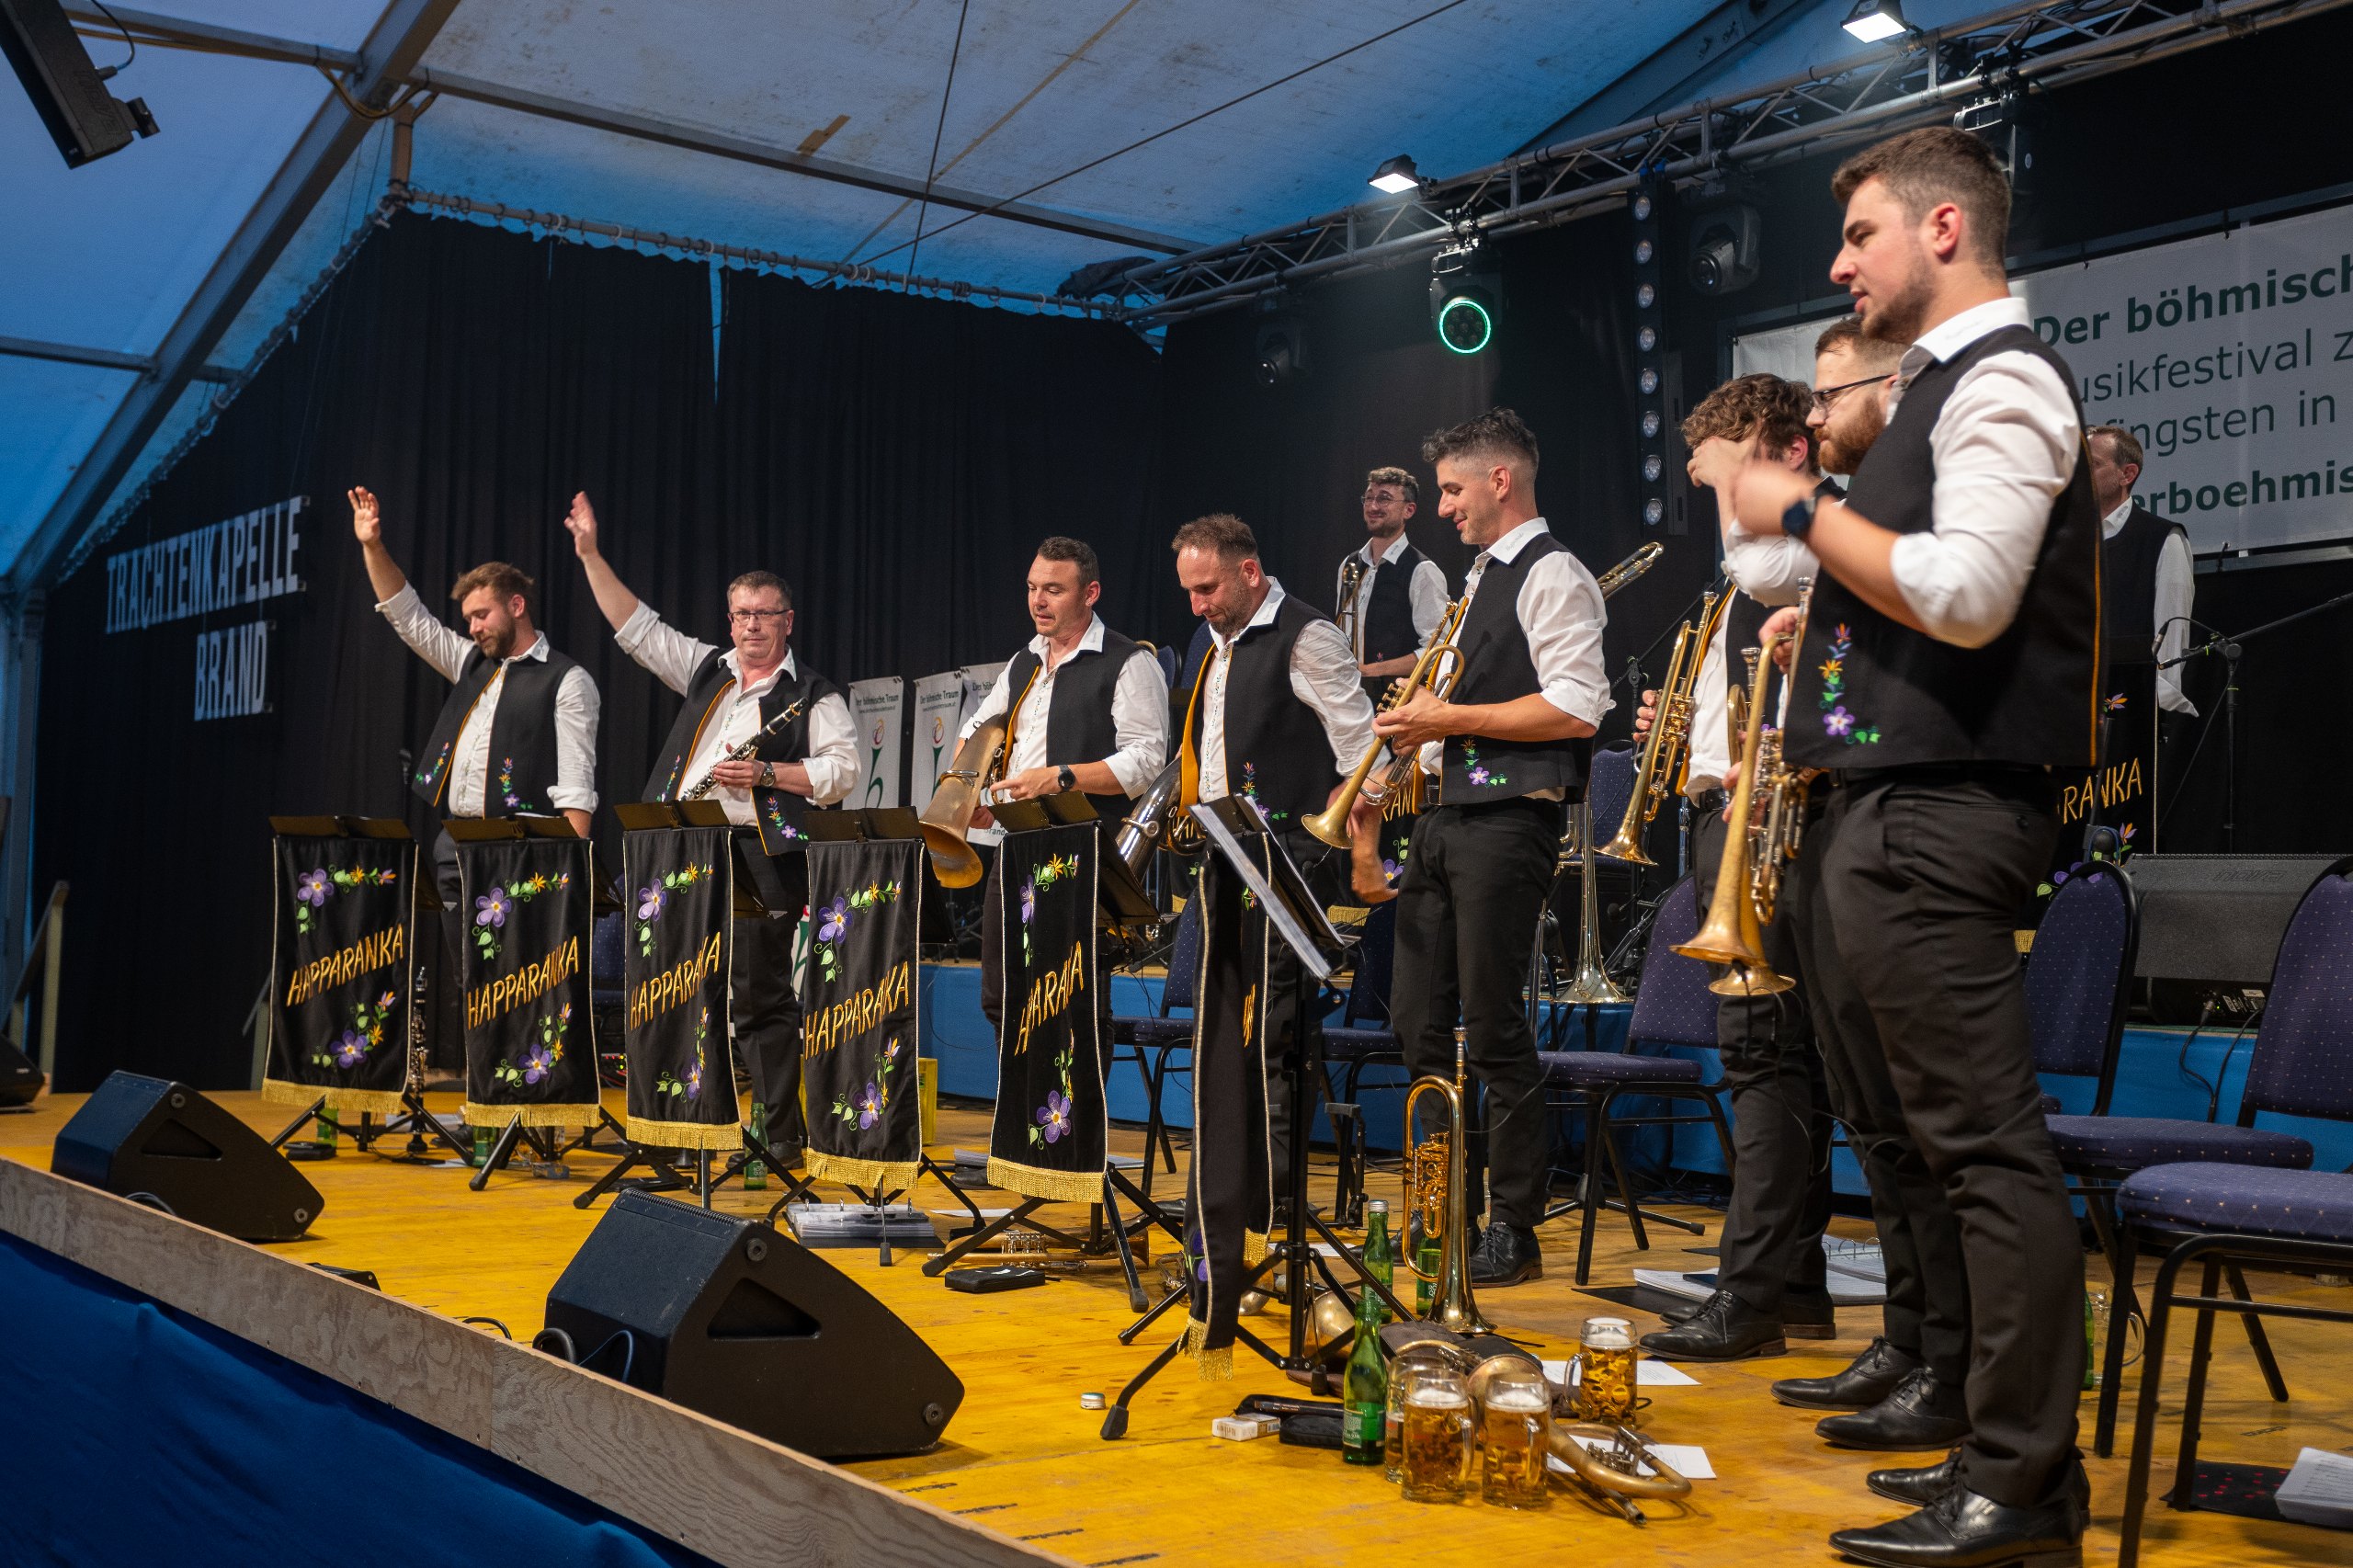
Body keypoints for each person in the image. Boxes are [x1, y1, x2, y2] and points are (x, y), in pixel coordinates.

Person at [1728, 126, 2097, 1566]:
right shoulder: (1939, 392)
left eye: (1860, 234)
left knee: (1985, 1152)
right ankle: (1981, 1434)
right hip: (1890, 804)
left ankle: (2023, 1479)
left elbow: (1970, 592)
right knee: (1937, 1144)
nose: (1840, 265)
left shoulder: (2003, 378)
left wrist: (1802, 510)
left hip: (1943, 809)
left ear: (1945, 229)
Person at [1356, 408, 1608, 1288]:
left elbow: (1576, 706)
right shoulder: (1474, 579)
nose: (1444, 507)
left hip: (1508, 819)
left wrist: (1445, 717)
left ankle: (1514, 1226)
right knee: (1416, 1022)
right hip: (1443, 817)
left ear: (1500, 481)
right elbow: (1450, 714)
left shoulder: (1553, 572)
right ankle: (1442, 1212)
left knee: (1495, 1028)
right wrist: (1401, 762)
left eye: (1453, 489)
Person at [1633, 373, 1839, 1364]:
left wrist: (1735, 489)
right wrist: (1684, 735)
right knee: (1779, 1059)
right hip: (1735, 805)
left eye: (1726, 471)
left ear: (1789, 454)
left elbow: (1758, 566)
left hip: (1777, 819)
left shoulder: (1804, 540)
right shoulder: (1775, 559)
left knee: (1763, 1056)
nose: (1716, 494)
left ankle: (1748, 1292)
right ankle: (1794, 1284)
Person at [563, 494, 857, 1165]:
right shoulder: (707, 669)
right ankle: (677, 1133)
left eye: (765, 614)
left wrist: (768, 774)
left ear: (788, 622)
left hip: (757, 853)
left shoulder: (813, 694)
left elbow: (843, 771)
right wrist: (590, 554)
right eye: (742, 614)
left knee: (757, 999)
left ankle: (779, 1138)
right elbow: (637, 629)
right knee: (673, 994)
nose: (752, 626)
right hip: (680, 845)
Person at [350, 486, 599, 1063]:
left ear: (517, 605)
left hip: (521, 847)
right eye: (467, 619)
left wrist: (570, 874)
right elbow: (407, 616)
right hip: (454, 844)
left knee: (522, 978)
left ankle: (528, 1090)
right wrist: (373, 545)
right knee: (473, 980)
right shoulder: (471, 663)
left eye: (481, 615)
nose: (473, 627)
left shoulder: (567, 680)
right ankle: (489, 1089)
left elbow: (577, 782)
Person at [1169, 513, 1376, 1177]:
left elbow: (1366, 753)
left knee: (1273, 1032)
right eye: (1190, 592)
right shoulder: (1211, 641)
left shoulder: (1307, 636)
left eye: (1207, 589)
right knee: (1223, 1028)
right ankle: (1226, 1186)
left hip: (1290, 857)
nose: (1197, 606)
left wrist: (1357, 843)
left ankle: (1272, 1193)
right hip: (1223, 853)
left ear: (1250, 572)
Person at [960, 537, 1168, 1028]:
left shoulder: (1129, 661)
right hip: (1017, 843)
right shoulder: (1024, 661)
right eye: (1032, 588)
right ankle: (1016, 1085)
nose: (1038, 600)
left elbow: (1146, 763)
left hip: (1084, 850)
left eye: (1053, 590)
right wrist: (969, 792)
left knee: (1072, 1003)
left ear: (1090, 593)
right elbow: (977, 732)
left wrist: (1061, 778)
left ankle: (1072, 1087)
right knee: (1002, 998)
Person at [2086, 423, 2197, 744]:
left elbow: (2171, 637)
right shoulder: (2065, 540)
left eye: (2092, 464)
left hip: (2130, 718)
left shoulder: (2161, 539)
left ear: (2127, 474)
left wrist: (2155, 712)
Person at [1336, 466, 1450, 699]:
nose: (1373, 506)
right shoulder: (1349, 564)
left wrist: (1369, 671)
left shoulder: (1423, 570)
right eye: (1369, 498)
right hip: (1348, 695)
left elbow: (1437, 651)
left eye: (1384, 499)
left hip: (1395, 700)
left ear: (1409, 510)